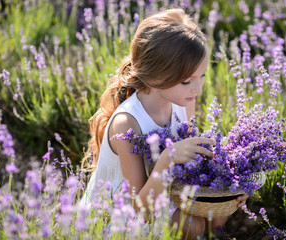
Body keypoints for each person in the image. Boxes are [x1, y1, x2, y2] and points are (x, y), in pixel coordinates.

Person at [81, 8, 248, 239]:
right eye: (187, 81)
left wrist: (230, 188)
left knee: (215, 214)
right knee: (191, 225)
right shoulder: (127, 123)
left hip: (161, 198)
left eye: (202, 77)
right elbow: (138, 211)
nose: (198, 89)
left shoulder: (181, 102)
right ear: (154, 77)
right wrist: (167, 159)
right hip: (118, 219)